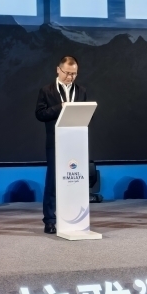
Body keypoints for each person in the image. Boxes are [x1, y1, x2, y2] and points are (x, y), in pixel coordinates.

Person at [35, 56, 88, 234]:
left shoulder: (81, 91)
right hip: (55, 142)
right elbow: (40, 114)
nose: (70, 77)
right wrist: (61, 107)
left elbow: (86, 114)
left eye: (74, 74)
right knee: (53, 181)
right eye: (67, 73)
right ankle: (50, 220)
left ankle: (74, 216)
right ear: (58, 70)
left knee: (76, 179)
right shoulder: (46, 90)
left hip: (76, 143)